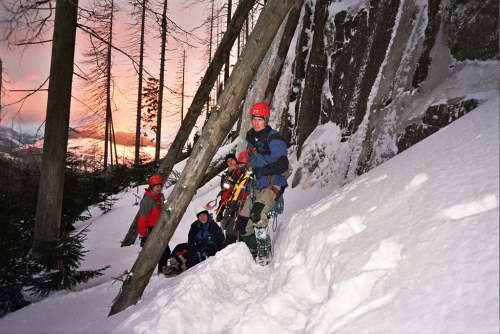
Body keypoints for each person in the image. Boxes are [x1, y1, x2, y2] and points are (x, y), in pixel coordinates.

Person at [235, 102, 288, 265]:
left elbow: (283, 164)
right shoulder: (251, 138)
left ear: (266, 120)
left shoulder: (273, 138)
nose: (256, 123)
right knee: (242, 225)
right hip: (257, 185)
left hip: (272, 183)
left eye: (260, 119)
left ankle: (265, 258)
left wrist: (263, 171)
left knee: (258, 215)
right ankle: (254, 255)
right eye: (254, 119)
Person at [164, 206, 225, 276]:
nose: (203, 218)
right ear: (198, 217)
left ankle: (178, 267)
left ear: (207, 215)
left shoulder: (213, 226)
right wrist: (194, 244)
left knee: (192, 255)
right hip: (197, 246)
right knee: (180, 247)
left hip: (208, 250)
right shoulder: (195, 226)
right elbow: (190, 239)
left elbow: (220, 242)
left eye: (204, 215)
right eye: (200, 216)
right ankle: (173, 262)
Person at [138, 175, 171, 273]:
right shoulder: (146, 201)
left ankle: (163, 269)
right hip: (153, 229)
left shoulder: (160, 197)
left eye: (160, 186)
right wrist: (144, 236)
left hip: (161, 227)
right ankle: (162, 271)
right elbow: (142, 219)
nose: (159, 188)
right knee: (162, 251)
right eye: (156, 186)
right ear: (151, 187)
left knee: (165, 251)